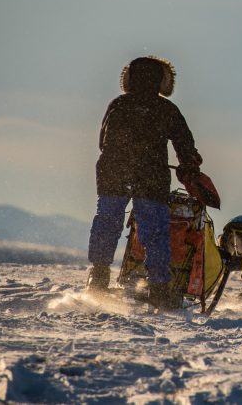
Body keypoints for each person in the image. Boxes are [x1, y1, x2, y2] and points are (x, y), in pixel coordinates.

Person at [86, 55, 202, 308]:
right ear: (163, 80)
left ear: (129, 78)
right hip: (150, 178)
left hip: (113, 173)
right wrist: (189, 166)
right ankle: (160, 289)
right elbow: (184, 143)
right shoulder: (166, 109)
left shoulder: (119, 103)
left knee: (107, 223)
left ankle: (98, 278)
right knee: (154, 233)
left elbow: (102, 141)